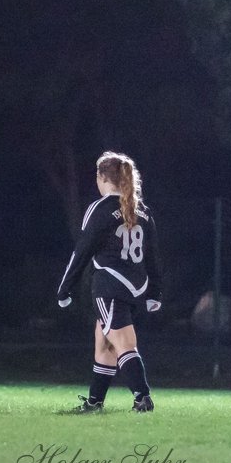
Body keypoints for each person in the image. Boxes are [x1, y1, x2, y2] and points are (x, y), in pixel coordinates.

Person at [56, 151, 162, 413]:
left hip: (109, 287)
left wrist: (65, 288)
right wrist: (155, 292)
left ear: (102, 177)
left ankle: (142, 397)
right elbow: (153, 258)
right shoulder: (143, 211)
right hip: (136, 289)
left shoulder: (100, 208)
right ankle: (94, 403)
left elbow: (82, 251)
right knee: (104, 343)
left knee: (124, 345)